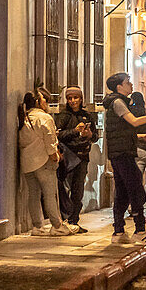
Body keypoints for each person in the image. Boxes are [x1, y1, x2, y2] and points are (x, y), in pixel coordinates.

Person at [103, 73, 146, 243]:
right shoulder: (118, 102)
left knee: (123, 192)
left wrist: (140, 137)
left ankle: (118, 232)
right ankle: (139, 231)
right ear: (119, 86)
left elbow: (122, 130)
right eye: (128, 82)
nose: (131, 85)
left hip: (120, 151)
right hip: (122, 153)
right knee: (135, 189)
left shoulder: (117, 102)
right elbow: (133, 122)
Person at [18, 89, 71, 236]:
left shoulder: (23, 117)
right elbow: (49, 140)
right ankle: (56, 225)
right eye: (45, 100)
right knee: (50, 194)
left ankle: (37, 226)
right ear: (38, 102)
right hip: (43, 161)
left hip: (27, 162)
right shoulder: (44, 117)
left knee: (33, 194)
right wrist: (55, 156)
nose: (47, 103)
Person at [54, 86, 97, 233]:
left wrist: (89, 135)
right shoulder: (63, 116)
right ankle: (66, 221)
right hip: (68, 158)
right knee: (65, 190)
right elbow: (57, 135)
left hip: (83, 156)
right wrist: (75, 131)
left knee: (78, 191)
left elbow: (95, 136)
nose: (73, 101)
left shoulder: (87, 116)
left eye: (75, 98)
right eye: (70, 98)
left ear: (81, 99)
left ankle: (74, 221)